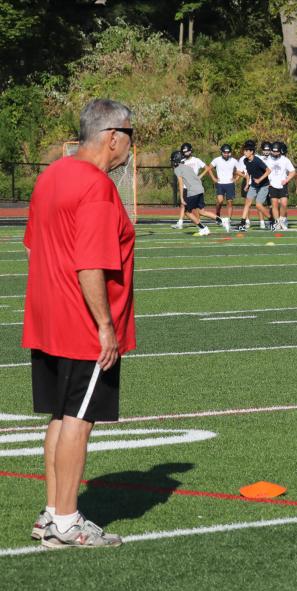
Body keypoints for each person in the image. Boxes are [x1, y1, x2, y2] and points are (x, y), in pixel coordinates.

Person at [23, 98, 136, 547]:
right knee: (78, 419)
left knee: (59, 415)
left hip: (48, 317)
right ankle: (67, 521)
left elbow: (32, 246)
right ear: (112, 137)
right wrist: (105, 327)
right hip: (81, 326)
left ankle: (52, 513)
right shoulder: (95, 186)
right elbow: (91, 263)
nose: (131, 146)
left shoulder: (51, 174)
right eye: (130, 136)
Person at [173, 150, 219, 235]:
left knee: (187, 211)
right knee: (201, 211)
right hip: (200, 189)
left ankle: (203, 228)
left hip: (192, 190)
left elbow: (181, 183)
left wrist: (182, 197)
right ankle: (220, 220)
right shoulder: (187, 167)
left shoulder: (178, 168)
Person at [236, 140, 271, 232]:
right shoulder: (245, 160)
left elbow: (268, 171)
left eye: (247, 151)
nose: (245, 152)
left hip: (263, 185)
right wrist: (247, 184)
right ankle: (242, 223)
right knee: (247, 203)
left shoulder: (257, 161)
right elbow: (248, 173)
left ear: (251, 152)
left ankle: (272, 220)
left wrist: (260, 179)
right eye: (244, 150)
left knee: (259, 205)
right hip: (253, 185)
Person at [171, 142, 208, 229]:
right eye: (184, 152)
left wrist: (200, 176)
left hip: (193, 187)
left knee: (194, 208)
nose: (185, 153)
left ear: (191, 151)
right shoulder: (182, 161)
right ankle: (180, 222)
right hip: (185, 186)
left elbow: (207, 168)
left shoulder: (196, 160)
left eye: (187, 151)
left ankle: (199, 223)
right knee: (183, 205)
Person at [210, 144, 242, 231]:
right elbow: (209, 168)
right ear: (221, 152)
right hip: (220, 183)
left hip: (230, 184)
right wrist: (214, 178)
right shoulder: (217, 160)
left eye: (228, 152)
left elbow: (240, 170)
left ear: (230, 153)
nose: (226, 154)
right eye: (224, 152)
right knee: (220, 201)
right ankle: (217, 214)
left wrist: (236, 178)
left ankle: (229, 219)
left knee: (230, 202)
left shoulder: (234, 161)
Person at [267, 142, 295, 230]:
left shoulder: (285, 160)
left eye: (277, 152)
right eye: (273, 152)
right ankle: (278, 223)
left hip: (282, 185)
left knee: (284, 203)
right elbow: (263, 172)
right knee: (274, 205)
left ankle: (282, 220)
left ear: (280, 151)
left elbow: (293, 172)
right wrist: (267, 182)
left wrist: (286, 180)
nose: (275, 153)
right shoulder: (268, 160)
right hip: (272, 185)